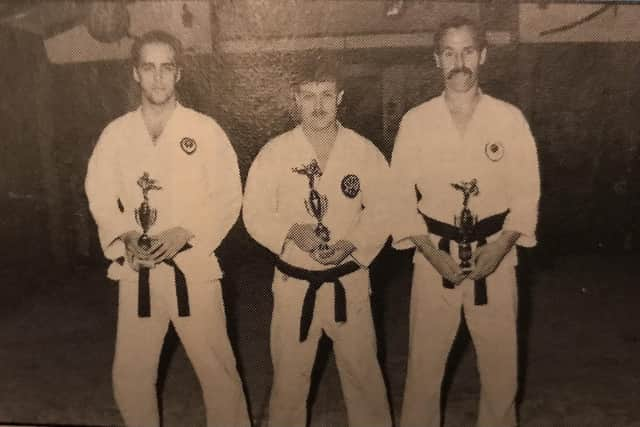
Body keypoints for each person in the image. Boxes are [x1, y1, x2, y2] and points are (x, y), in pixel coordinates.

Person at [85, 30, 250, 427]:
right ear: (135, 74)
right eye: (149, 68)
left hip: (191, 268)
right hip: (137, 271)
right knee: (130, 376)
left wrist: (187, 232)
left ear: (179, 73)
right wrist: (125, 234)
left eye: (167, 68)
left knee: (218, 374)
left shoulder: (205, 130)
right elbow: (100, 193)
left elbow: (229, 195)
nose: (158, 77)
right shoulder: (116, 134)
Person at [390, 17, 541, 427]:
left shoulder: (508, 120)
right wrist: (429, 253)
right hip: (433, 256)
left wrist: (500, 246)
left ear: (484, 56)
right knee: (423, 368)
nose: (460, 62)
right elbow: (400, 197)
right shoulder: (416, 121)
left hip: (496, 254)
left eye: (468, 51)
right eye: (451, 53)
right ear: (437, 60)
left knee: (500, 368)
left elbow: (527, 194)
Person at [242, 51, 392, 427]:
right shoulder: (274, 153)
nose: (318, 105)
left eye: (327, 94)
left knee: (365, 383)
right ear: (295, 99)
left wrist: (352, 244)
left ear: (341, 97)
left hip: (349, 282)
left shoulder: (363, 151)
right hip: (295, 284)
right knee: (289, 385)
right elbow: (254, 213)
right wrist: (292, 232)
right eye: (308, 95)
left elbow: (385, 211)